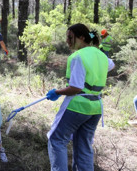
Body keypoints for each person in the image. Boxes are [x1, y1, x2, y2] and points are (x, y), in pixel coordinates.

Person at [46, 23, 115, 171]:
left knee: (56, 140)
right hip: (95, 108)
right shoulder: (101, 55)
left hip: (77, 106)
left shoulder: (77, 56)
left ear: (81, 37)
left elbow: (76, 87)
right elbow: (111, 65)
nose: (67, 41)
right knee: (84, 144)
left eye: (70, 37)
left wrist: (57, 92)